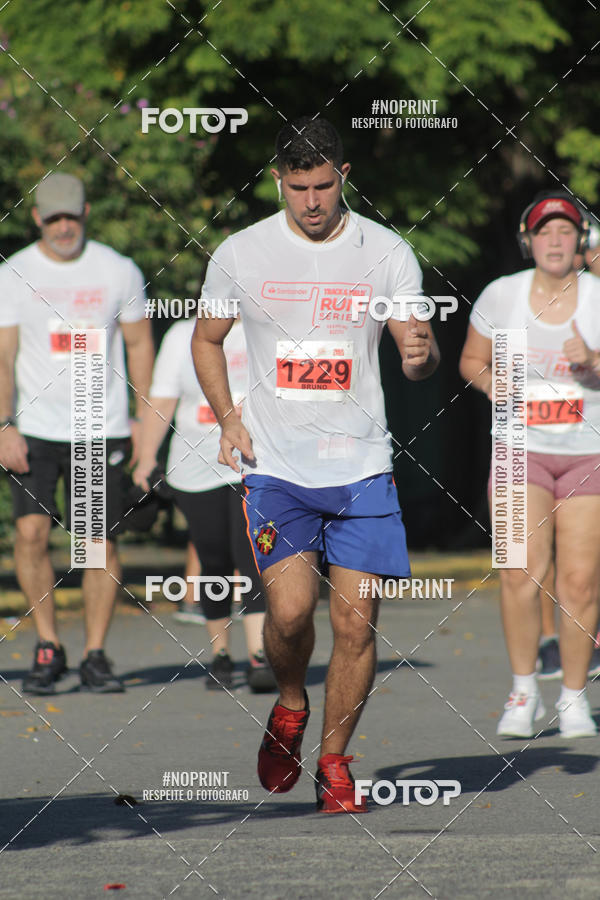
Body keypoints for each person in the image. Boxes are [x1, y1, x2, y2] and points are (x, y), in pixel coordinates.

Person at [191, 116, 439, 812]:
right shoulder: (241, 252)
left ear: (344, 177)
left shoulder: (385, 251)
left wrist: (422, 359)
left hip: (361, 464)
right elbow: (206, 340)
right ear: (278, 180)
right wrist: (229, 416)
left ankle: (334, 763)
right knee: (293, 613)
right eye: (297, 187)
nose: (310, 201)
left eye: (323, 186)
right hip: (276, 464)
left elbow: (415, 350)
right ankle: (292, 704)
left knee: (357, 624)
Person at [0, 173, 153, 694]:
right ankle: (48, 645)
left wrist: (145, 419)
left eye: (72, 215)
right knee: (30, 535)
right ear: (37, 217)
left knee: (93, 547)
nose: (63, 226)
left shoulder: (117, 270)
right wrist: (5, 425)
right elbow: (3, 358)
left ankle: (94, 654)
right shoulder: (14, 273)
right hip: (35, 431)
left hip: (96, 428)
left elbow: (139, 348)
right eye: (53, 217)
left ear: (86, 212)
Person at [460, 190, 600, 738]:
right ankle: (522, 691)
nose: (556, 241)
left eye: (566, 232)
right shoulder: (502, 296)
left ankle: (572, 697)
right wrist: (496, 386)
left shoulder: (597, 298)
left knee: (581, 581)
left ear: (581, 240)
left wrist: (593, 360)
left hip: (587, 453)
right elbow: (472, 360)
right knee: (519, 574)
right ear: (528, 241)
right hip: (519, 453)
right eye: (546, 232)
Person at [133, 315, 276, 692]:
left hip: (255, 465)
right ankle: (221, 655)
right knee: (213, 559)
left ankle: (260, 656)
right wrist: (146, 456)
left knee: (251, 557)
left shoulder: (268, 327)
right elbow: (163, 399)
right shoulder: (183, 334)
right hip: (195, 467)